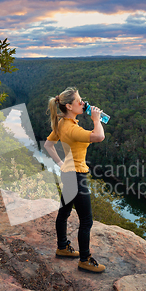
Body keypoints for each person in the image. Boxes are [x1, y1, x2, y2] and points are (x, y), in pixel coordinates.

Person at [44, 87, 106, 273]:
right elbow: (99, 136)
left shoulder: (62, 123)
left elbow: (48, 145)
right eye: (79, 101)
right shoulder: (72, 129)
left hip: (67, 173)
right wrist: (96, 119)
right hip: (77, 176)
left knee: (64, 213)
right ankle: (84, 260)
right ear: (69, 106)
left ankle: (62, 246)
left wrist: (61, 163)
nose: (83, 103)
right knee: (86, 221)